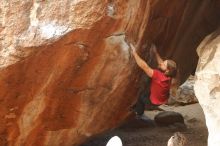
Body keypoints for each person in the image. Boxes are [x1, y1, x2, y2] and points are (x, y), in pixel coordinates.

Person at [130, 43, 177, 117]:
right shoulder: (171, 75)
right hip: (162, 100)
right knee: (151, 79)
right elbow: (161, 63)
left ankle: (138, 113)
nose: (162, 64)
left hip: (153, 102)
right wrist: (155, 53)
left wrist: (134, 53)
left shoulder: (158, 76)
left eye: (164, 64)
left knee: (140, 96)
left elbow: (144, 67)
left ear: (167, 70)